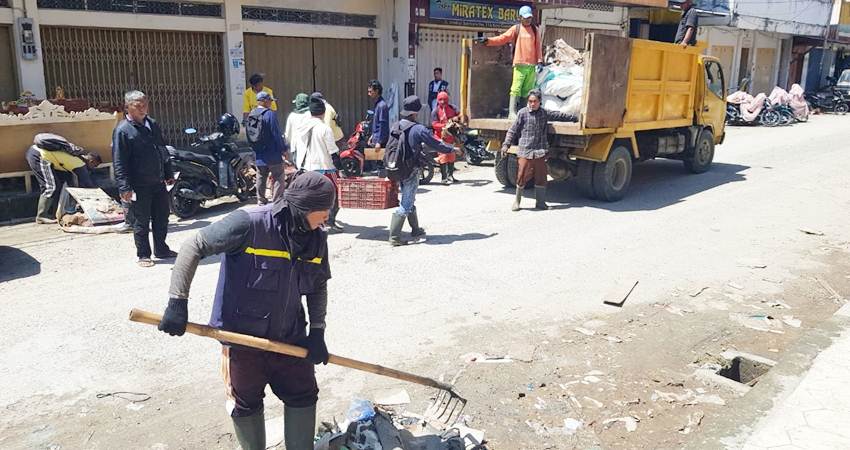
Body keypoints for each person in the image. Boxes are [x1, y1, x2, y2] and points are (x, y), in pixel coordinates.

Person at [157, 171, 335, 450]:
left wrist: (317, 331)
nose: (326, 218)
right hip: (243, 343)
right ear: (303, 207)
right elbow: (194, 245)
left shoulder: (316, 238)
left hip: (289, 340)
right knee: (246, 405)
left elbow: (317, 286)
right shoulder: (250, 223)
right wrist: (177, 301)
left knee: (303, 395)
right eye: (324, 212)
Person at [112, 90, 178, 268]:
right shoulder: (123, 130)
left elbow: (162, 149)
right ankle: (143, 254)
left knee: (162, 217)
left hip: (158, 181)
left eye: (145, 104)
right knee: (141, 220)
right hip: (139, 184)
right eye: (138, 106)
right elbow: (119, 161)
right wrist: (124, 187)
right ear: (128, 107)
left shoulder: (152, 124)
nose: (143, 109)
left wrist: (168, 172)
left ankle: (162, 249)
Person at [388, 96, 458, 247]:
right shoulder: (418, 129)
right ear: (415, 112)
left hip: (398, 168)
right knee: (406, 203)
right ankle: (394, 237)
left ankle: (415, 230)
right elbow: (435, 144)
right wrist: (452, 149)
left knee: (408, 198)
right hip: (411, 170)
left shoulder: (396, 125)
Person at [501, 89, 576, 211]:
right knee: (521, 176)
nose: (532, 104)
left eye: (535, 101)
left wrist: (573, 118)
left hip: (540, 151)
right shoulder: (522, 113)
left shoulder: (543, 113)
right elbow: (513, 130)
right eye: (530, 101)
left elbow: (559, 115)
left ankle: (540, 203)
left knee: (541, 177)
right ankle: (517, 202)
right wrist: (506, 144)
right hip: (526, 150)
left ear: (540, 102)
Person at [474, 5, 542, 119]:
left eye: (530, 17)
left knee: (527, 90)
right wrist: (488, 41)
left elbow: (538, 47)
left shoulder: (535, 30)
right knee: (516, 88)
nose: (528, 19)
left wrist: (539, 61)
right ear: (520, 17)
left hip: (531, 65)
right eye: (525, 17)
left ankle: (523, 112)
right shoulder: (516, 29)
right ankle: (512, 112)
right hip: (519, 64)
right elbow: (503, 38)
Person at [25, 133, 101, 224]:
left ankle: (52, 213)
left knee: (57, 185)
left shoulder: (77, 158)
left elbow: (71, 181)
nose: (94, 168)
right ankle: (41, 216)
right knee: (50, 187)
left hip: (38, 153)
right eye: (95, 165)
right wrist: (99, 199)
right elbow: (87, 185)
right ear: (91, 161)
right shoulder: (80, 164)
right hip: (39, 156)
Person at [292, 97, 343, 232]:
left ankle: (311, 223)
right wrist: (341, 168)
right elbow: (333, 152)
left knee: (311, 199)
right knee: (333, 196)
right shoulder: (324, 129)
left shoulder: (301, 128)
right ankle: (328, 222)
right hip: (324, 169)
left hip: (306, 170)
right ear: (323, 112)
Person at [247, 91, 287, 205]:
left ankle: (261, 200)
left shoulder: (252, 114)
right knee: (278, 176)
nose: (271, 103)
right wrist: (283, 149)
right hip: (273, 153)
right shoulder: (270, 114)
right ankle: (277, 200)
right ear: (264, 101)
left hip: (259, 154)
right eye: (270, 100)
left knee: (261, 176)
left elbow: (249, 134)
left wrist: (255, 149)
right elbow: (276, 134)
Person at [430, 91, 460, 185]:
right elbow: (434, 124)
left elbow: (459, 116)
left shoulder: (453, 108)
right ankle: (444, 178)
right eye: (441, 100)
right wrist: (445, 125)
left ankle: (450, 175)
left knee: (451, 156)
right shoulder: (435, 111)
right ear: (438, 100)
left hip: (451, 137)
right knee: (443, 157)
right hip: (440, 137)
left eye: (445, 100)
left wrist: (456, 119)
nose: (443, 102)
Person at [285, 93, 310, 161]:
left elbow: (288, 135)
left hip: (296, 147)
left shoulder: (292, 116)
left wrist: (288, 146)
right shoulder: (311, 115)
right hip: (310, 147)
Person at [367, 80, 389, 151]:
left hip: (380, 143)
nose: (369, 94)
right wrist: (372, 136)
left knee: (379, 162)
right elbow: (376, 125)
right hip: (375, 140)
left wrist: (379, 142)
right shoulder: (377, 104)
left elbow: (383, 125)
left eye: (371, 92)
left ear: (376, 91)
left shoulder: (382, 106)